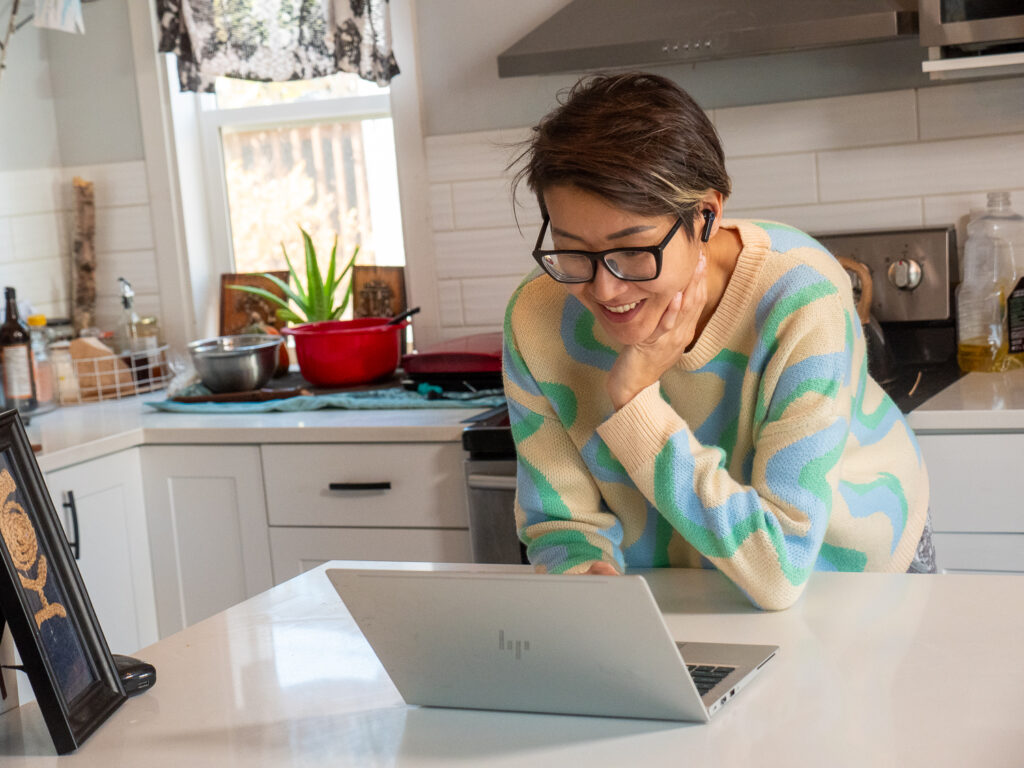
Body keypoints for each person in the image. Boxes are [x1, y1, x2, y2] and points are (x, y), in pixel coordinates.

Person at [502, 72, 934, 611]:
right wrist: (585, 578)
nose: (605, 288)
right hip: (682, 587)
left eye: (633, 250)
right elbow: (560, 525)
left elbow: (780, 569)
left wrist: (636, 404)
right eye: (572, 250)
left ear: (706, 214)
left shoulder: (800, 295)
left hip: (847, 572)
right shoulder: (536, 315)